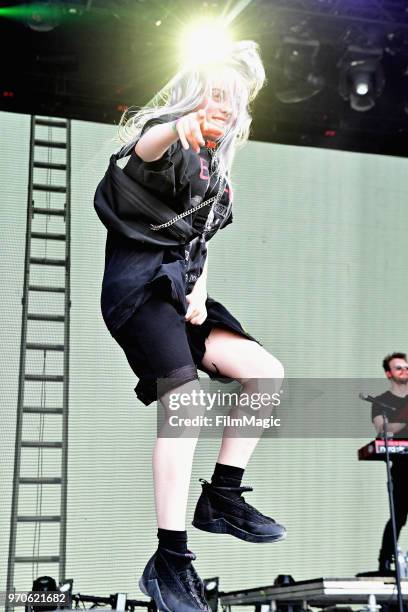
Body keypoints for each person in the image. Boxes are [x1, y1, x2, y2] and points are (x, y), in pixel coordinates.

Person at [95, 40, 286, 612]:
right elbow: (147, 149)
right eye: (214, 91)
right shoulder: (163, 135)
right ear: (192, 94)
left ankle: (222, 497)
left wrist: (200, 284)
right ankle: (170, 559)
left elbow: (199, 238)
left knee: (266, 374)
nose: (222, 104)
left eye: (233, 96)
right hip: (139, 291)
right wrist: (183, 116)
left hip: (180, 291)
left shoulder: (215, 168)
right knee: (187, 404)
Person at [371, 352, 408, 574]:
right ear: (388, 374)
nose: (405, 371)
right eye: (399, 368)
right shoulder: (382, 401)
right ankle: (385, 560)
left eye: (407, 367)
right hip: (403, 466)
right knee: (399, 516)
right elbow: (383, 431)